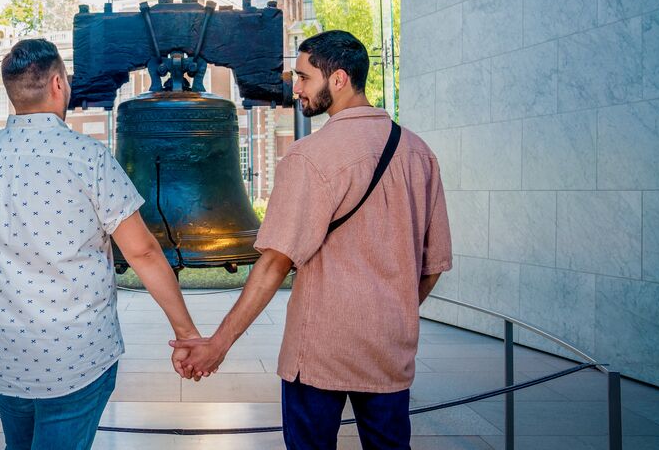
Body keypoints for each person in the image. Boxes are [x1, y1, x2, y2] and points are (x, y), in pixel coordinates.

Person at [170, 30, 452, 450]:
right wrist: (392, 313)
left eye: (303, 77)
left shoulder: (309, 157)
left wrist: (217, 345)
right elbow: (433, 265)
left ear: (338, 79)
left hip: (319, 351)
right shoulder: (419, 153)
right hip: (390, 348)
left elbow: (273, 265)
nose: (295, 88)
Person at [0, 38, 202, 450]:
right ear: (59, 85)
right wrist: (186, 333)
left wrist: (1, 300)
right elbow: (143, 252)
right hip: (76, 355)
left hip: (1, 352)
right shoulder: (87, 157)